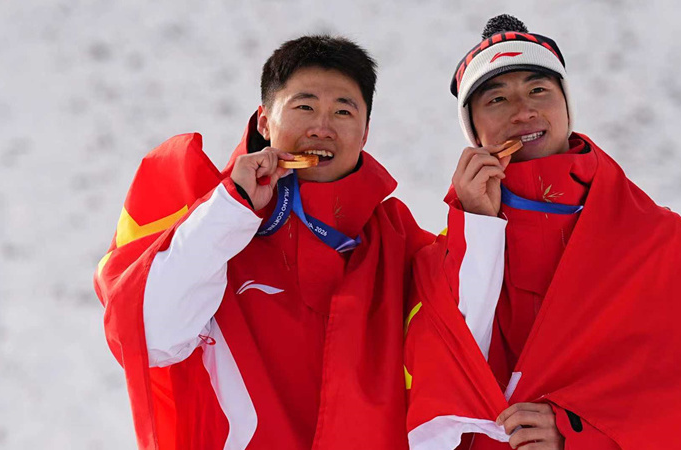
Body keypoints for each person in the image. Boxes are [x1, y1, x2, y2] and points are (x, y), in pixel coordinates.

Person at [403, 15, 681, 450]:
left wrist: (579, 430)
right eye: (496, 99)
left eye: (539, 90)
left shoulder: (656, 237)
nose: (523, 111)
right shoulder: (444, 254)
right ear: (474, 130)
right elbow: (446, 376)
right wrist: (478, 226)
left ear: (566, 106)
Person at [93, 35, 455, 449]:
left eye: (343, 111)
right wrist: (233, 209)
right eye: (304, 107)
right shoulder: (205, 217)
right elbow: (150, 339)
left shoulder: (402, 245)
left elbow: (467, 349)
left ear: (365, 132)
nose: (322, 128)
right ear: (264, 122)